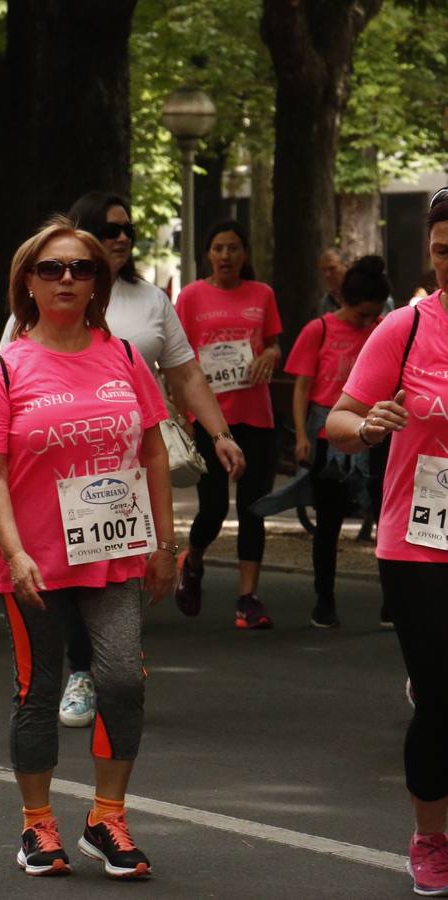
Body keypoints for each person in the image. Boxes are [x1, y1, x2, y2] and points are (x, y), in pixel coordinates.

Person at [0, 218, 174, 879]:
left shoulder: (123, 358)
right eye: (52, 269)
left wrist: (164, 542)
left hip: (113, 553)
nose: (66, 280)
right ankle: (37, 826)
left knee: (121, 680)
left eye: (80, 269)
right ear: (28, 280)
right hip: (34, 563)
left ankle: (106, 818)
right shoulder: (5, 369)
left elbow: (151, 450)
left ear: (98, 284)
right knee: (39, 690)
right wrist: (13, 548)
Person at [0, 192, 245, 727]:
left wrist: (219, 432)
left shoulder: (150, 301)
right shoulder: (36, 311)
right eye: (110, 230)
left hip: (124, 461)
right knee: (71, 572)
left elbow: (184, 373)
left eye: (127, 232)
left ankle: (113, 662)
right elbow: (7, 381)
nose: (121, 240)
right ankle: (83, 672)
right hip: (55, 471)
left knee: (112, 564)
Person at [326, 198, 448, 898]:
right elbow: (339, 420)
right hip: (421, 541)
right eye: (440, 249)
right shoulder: (403, 330)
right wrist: (370, 426)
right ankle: (430, 837)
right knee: (441, 701)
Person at [174, 219, 283, 629]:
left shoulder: (262, 294)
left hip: (256, 416)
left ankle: (247, 597)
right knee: (215, 507)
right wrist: (185, 416)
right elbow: (177, 361)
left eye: (234, 248)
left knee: (254, 507)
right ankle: (194, 557)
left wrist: (271, 354)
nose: (225, 256)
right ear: (208, 254)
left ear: (245, 254)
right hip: (210, 418)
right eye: (218, 248)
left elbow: (273, 342)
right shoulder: (191, 297)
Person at [285, 255, 388, 628]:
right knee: (328, 523)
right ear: (347, 302)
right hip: (329, 438)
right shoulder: (320, 330)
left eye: (375, 314)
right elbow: (303, 387)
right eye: (364, 314)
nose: (368, 321)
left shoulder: (382, 330)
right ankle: (324, 599)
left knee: (385, 518)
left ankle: (391, 601)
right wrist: (300, 435)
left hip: (376, 434)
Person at [316, 248, 348, 316]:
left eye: (332, 268)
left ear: (345, 266)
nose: (327, 275)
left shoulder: (359, 297)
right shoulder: (325, 303)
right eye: (324, 270)